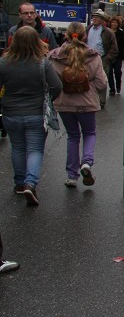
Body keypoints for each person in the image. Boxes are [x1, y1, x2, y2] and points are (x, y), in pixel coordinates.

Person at [0, 25, 63, 206]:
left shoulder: (4, 62)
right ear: (36, 41)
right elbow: (57, 86)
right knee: (35, 149)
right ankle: (30, 182)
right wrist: (49, 99)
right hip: (36, 112)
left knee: (18, 148)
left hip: (11, 112)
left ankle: (20, 183)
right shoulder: (42, 63)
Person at [48, 22, 108, 188]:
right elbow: (102, 83)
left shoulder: (54, 56)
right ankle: (87, 163)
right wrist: (88, 88)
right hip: (87, 102)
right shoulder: (93, 56)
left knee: (73, 136)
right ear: (85, 36)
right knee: (89, 133)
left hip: (64, 102)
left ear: (66, 35)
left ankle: (71, 176)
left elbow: (51, 82)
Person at [85, 10, 118, 108]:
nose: (94, 19)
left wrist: (108, 59)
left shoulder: (108, 32)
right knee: (87, 80)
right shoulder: (87, 29)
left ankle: (101, 101)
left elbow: (114, 48)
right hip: (87, 58)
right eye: (93, 17)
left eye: (97, 17)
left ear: (102, 20)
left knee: (101, 80)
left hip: (101, 59)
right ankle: (90, 100)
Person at [109, 16, 124, 95]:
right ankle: (112, 89)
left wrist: (123, 56)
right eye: (113, 22)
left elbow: (123, 45)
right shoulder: (107, 32)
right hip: (108, 56)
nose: (114, 24)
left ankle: (118, 85)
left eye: (116, 23)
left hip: (118, 56)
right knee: (109, 73)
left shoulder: (121, 33)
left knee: (117, 72)